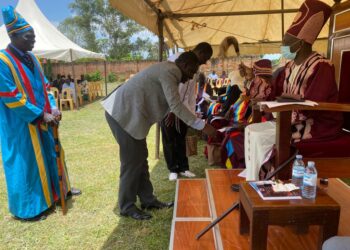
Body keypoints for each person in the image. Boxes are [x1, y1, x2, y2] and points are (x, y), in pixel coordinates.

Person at [102, 51, 217, 220]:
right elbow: (176, 105)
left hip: (128, 115)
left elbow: (172, 102)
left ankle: (148, 200)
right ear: (184, 65)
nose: (192, 75)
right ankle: (126, 206)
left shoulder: (170, 71)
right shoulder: (171, 72)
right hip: (122, 115)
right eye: (192, 71)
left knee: (140, 158)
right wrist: (202, 126)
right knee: (131, 162)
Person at [244, 0, 343, 180]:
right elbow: (274, 93)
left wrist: (286, 100)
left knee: (261, 137)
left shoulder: (322, 66)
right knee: (252, 130)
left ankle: (265, 183)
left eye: (286, 41)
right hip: (291, 119)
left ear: (301, 43)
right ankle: (254, 179)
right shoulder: (289, 66)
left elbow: (313, 102)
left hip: (317, 125)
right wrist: (257, 85)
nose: (283, 45)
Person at [0, 6, 81, 221]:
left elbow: (45, 87)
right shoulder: (2, 61)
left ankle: (60, 192)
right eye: (29, 37)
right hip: (19, 124)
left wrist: (52, 108)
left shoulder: (33, 58)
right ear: (13, 36)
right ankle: (30, 208)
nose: (33, 41)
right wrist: (38, 114)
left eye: (34, 36)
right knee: (26, 162)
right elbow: (11, 95)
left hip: (44, 117)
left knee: (52, 154)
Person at [161, 42, 213, 181]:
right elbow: (170, 89)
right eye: (206, 57)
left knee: (180, 139)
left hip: (184, 110)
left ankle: (183, 168)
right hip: (168, 108)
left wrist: (192, 112)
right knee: (169, 138)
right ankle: (173, 169)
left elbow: (190, 93)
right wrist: (171, 110)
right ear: (201, 53)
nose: (206, 61)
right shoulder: (175, 60)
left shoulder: (195, 67)